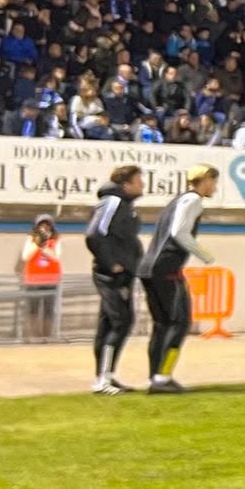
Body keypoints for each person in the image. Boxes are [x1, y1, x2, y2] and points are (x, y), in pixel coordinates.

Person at [136, 164, 219, 394]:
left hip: (150, 268)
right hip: (166, 268)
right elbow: (179, 232)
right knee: (179, 322)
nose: (215, 187)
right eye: (213, 182)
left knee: (162, 325)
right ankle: (163, 377)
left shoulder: (178, 200)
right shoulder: (193, 201)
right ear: (205, 181)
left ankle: (155, 376)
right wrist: (205, 256)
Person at [85, 166, 145, 395]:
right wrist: (112, 264)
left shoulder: (124, 205)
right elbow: (94, 234)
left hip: (122, 273)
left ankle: (106, 376)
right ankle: (103, 379)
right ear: (125, 184)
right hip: (112, 275)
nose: (142, 186)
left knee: (111, 323)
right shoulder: (112, 202)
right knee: (120, 321)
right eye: (138, 181)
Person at [18, 216, 63, 340]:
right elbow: (25, 256)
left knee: (48, 310)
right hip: (33, 280)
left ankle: (46, 336)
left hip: (50, 280)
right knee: (33, 309)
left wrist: (45, 246)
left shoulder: (55, 240)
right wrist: (37, 244)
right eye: (42, 225)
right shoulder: (31, 240)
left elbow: (56, 257)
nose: (44, 228)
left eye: (47, 225)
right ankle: (33, 335)